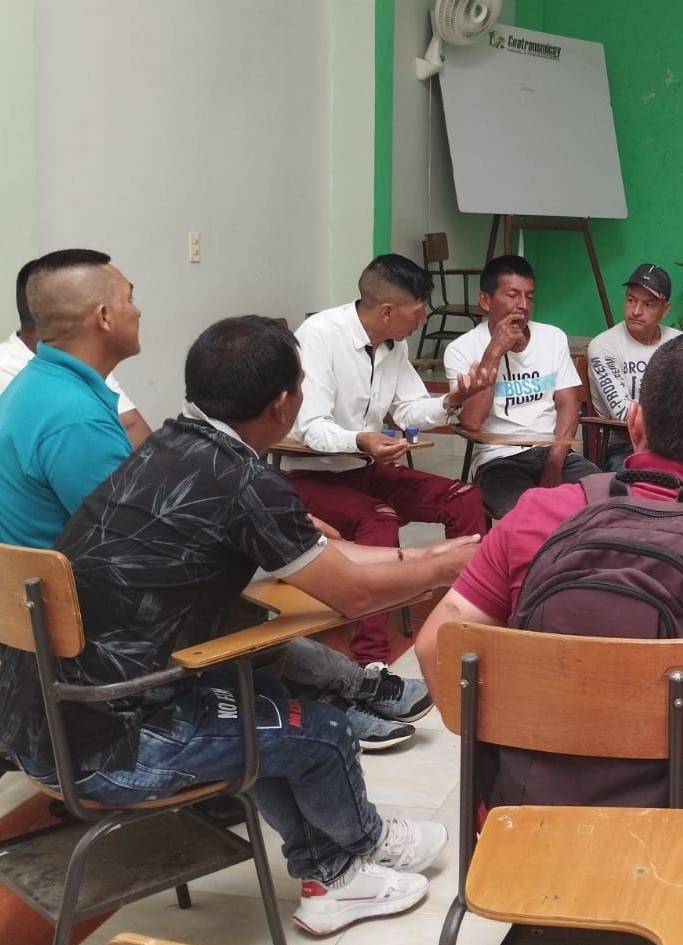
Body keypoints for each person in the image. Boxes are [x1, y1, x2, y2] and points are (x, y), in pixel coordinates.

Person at [0, 316, 478, 935]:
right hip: (111, 745)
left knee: (269, 698)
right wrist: (445, 562)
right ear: (283, 404)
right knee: (324, 732)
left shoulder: (170, 445)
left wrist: (390, 556)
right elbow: (354, 592)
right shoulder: (243, 481)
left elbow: (322, 560)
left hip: (39, 722)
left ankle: (327, 871)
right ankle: (358, 853)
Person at [416, 333, 683, 945]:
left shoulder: (537, 511)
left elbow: (437, 646)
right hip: (682, 817)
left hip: (529, 808)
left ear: (634, 419)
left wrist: (521, 720)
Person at [285, 254, 488, 666]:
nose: (425, 318)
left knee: (464, 497)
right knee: (380, 519)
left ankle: (465, 622)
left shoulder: (394, 344)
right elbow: (311, 428)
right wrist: (362, 440)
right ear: (387, 310)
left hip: (365, 468)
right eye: (419, 309)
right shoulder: (320, 335)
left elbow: (409, 410)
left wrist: (452, 400)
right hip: (311, 474)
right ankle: (371, 661)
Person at [443, 254, 600, 517]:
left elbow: (568, 404)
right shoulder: (461, 350)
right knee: (529, 516)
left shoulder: (552, 338)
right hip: (499, 460)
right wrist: (493, 352)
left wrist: (555, 461)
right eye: (513, 295)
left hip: (554, 451)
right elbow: (471, 421)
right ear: (485, 301)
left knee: (606, 498)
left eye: (529, 296)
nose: (523, 306)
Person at [2, 254, 153, 447]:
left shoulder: (78, 363)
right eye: (129, 299)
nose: (137, 311)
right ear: (103, 316)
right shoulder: (75, 413)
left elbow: (132, 425)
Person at [586, 262, 682, 470]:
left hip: (678, 446)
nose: (636, 311)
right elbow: (623, 414)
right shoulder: (604, 346)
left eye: (648, 305)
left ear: (665, 310)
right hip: (624, 447)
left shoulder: (680, 344)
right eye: (631, 300)